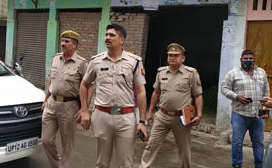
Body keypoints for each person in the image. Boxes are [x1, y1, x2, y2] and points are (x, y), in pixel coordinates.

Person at [80, 24, 147, 168]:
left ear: (122, 39)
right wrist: (85, 110)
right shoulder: (96, 60)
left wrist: (142, 121)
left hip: (126, 118)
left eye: (112, 35)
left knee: (125, 162)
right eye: (106, 35)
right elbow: (84, 85)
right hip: (102, 116)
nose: (107, 38)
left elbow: (141, 91)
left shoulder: (134, 61)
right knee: (102, 162)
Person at [140, 43, 203, 168]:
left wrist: (199, 115)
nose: (172, 58)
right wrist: (150, 112)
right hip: (162, 116)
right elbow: (156, 92)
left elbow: (198, 95)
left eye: (176, 55)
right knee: (151, 145)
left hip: (182, 118)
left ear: (183, 58)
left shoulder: (191, 73)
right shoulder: (161, 72)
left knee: (184, 149)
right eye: (170, 55)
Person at [41, 30, 91, 168]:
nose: (63, 43)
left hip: (69, 106)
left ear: (74, 45)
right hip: (51, 104)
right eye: (62, 41)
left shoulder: (82, 63)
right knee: (46, 140)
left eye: (67, 41)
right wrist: (46, 99)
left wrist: (84, 108)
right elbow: (51, 81)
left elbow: (89, 86)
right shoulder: (55, 58)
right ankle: (58, 165)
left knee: (67, 144)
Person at [221, 50, 270, 168]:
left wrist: (265, 109)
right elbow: (224, 88)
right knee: (237, 143)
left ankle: (259, 165)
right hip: (239, 115)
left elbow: (266, 91)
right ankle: (237, 165)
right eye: (245, 58)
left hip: (257, 116)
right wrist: (236, 96)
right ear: (241, 60)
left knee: (258, 144)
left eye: (250, 59)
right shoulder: (233, 73)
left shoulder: (261, 72)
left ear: (254, 60)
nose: (248, 61)